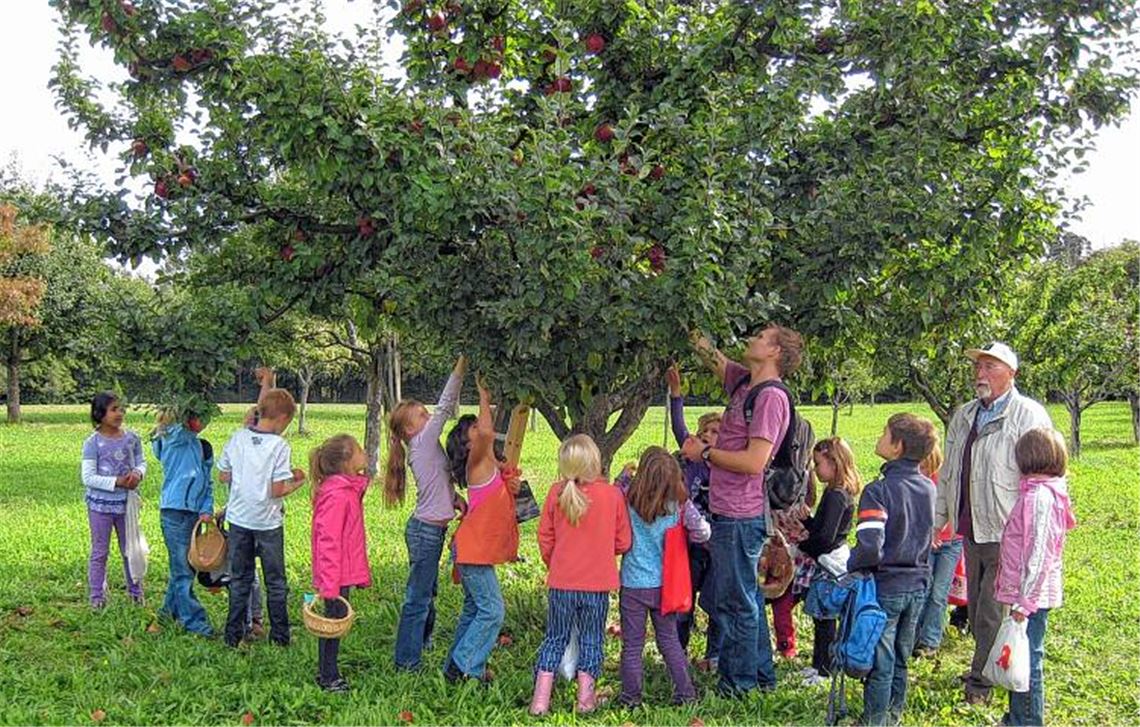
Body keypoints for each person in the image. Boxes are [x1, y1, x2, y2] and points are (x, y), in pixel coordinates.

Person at [681, 324, 804, 695]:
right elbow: (711, 355)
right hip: (729, 509)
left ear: (775, 352)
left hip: (740, 512)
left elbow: (754, 461)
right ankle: (762, 677)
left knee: (735, 603)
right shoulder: (743, 383)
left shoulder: (770, 398)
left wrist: (702, 453)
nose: (752, 338)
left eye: (762, 337)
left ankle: (738, 684)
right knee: (745, 598)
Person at [934, 342, 1054, 705]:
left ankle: (981, 685)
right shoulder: (965, 414)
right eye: (978, 367)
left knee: (990, 609)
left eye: (990, 367)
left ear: (1011, 373)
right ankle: (986, 665)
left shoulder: (1028, 415)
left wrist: (1031, 529)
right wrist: (940, 520)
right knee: (977, 604)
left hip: (1007, 530)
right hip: (971, 527)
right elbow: (949, 473)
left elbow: (1043, 473)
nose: (980, 374)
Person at [529, 435, 632, 716]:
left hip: (561, 582)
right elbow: (623, 542)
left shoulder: (555, 492)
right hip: (597, 585)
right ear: (595, 462)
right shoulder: (613, 495)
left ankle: (540, 701)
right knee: (591, 639)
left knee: (555, 637)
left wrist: (557, 563)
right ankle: (585, 700)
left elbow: (545, 538)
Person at [848, 413, 939, 727]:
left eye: (884, 432)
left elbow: (870, 544)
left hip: (886, 586)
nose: (879, 436)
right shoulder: (928, 487)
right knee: (901, 657)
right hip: (918, 582)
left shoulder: (878, 490)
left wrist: (853, 566)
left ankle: (874, 721)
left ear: (897, 446)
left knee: (880, 662)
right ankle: (894, 716)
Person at [386, 355, 467, 671]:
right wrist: (459, 367)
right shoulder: (421, 442)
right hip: (425, 532)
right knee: (417, 600)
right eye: (422, 414)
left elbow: (437, 482)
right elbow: (447, 404)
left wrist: (455, 499)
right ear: (410, 428)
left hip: (430, 529)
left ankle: (424, 640)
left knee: (427, 592)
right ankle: (406, 662)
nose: (429, 415)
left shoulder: (423, 446)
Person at [994, 428, 1076, 726]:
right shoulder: (1038, 491)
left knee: (1028, 660)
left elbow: (1038, 553)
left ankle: (1027, 720)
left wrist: (1023, 603)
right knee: (1018, 655)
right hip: (1028, 594)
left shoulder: (1039, 497)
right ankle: (1018, 714)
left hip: (1031, 597)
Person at [617, 446, 709, 707]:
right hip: (666, 585)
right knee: (669, 641)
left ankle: (630, 699)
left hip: (632, 584)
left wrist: (624, 476)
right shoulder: (679, 507)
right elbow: (703, 533)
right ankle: (686, 694)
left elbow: (616, 490)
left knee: (632, 645)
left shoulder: (626, 499)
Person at [443, 378, 520, 684]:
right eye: (474, 428)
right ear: (468, 446)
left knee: (475, 609)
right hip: (472, 552)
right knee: (493, 611)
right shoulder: (476, 464)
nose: (483, 429)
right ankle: (465, 668)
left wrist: (511, 486)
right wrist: (485, 395)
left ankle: (455, 663)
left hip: (475, 551)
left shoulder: (491, 467)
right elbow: (487, 433)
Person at [218, 387, 305, 647]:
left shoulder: (238, 438)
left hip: (239, 520)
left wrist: (246, 478)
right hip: (268, 523)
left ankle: (233, 635)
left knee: (239, 578)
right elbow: (277, 489)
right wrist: (298, 481)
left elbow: (223, 475)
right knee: (275, 581)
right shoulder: (279, 446)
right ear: (283, 419)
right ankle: (280, 637)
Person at [664, 365, 723, 671]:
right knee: (683, 599)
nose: (710, 437)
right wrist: (676, 393)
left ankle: (714, 656)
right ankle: (678, 653)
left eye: (717, 432)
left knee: (716, 601)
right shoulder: (691, 460)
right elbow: (678, 427)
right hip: (688, 541)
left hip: (717, 543)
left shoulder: (725, 465)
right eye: (705, 433)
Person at [310, 434, 373, 693]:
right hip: (335, 577)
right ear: (347, 459)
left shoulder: (346, 489)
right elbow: (328, 541)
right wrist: (329, 583)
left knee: (333, 624)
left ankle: (328, 672)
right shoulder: (338, 495)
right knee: (332, 626)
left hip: (341, 574)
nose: (364, 452)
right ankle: (328, 677)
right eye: (359, 449)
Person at [796, 437, 861, 686]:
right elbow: (824, 529)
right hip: (830, 558)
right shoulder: (837, 492)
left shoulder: (836, 494)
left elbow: (825, 538)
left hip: (829, 563)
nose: (815, 468)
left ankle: (824, 670)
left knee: (825, 617)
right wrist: (808, 521)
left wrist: (799, 546)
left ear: (834, 463)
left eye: (818, 463)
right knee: (821, 616)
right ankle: (818, 664)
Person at [81, 391, 147, 609]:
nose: (120, 413)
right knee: (100, 551)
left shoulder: (132, 438)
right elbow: (88, 477)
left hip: (126, 504)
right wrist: (116, 482)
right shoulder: (93, 443)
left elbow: (141, 462)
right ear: (100, 414)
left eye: (121, 409)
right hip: (100, 505)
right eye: (113, 409)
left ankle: (136, 592)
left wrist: (137, 474)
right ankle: (97, 597)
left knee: (130, 548)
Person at [152, 409, 214, 636]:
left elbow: (208, 482)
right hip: (174, 512)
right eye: (196, 416)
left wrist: (206, 508)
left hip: (195, 514)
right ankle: (196, 623)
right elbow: (180, 430)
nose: (202, 420)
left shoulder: (203, 447)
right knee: (183, 572)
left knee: (184, 569)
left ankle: (165, 617)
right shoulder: (172, 440)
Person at [913, 440, 963, 657]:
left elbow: (954, 507)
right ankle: (914, 637)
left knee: (939, 593)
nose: (921, 471)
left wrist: (940, 530)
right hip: (927, 540)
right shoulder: (917, 480)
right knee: (923, 590)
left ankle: (930, 641)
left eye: (924, 467)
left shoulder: (946, 478)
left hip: (949, 541)